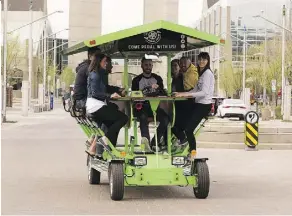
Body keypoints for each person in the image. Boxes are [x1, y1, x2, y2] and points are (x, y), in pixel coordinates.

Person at [174, 52, 214, 160]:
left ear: (208, 61)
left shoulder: (208, 74)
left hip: (204, 105)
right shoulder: (201, 73)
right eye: (200, 59)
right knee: (181, 124)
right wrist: (181, 94)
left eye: (204, 59)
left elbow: (204, 93)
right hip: (198, 103)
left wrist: (187, 94)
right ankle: (183, 144)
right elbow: (196, 89)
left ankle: (192, 153)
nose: (202, 61)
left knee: (189, 130)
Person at [86, 54, 128, 156]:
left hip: (95, 105)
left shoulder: (97, 74)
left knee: (112, 125)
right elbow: (95, 93)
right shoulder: (95, 75)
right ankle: (105, 140)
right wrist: (110, 96)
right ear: (99, 62)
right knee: (123, 118)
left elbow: (105, 87)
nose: (106, 64)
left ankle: (110, 149)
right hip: (96, 106)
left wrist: (118, 89)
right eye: (105, 62)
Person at [131, 57, 170, 151]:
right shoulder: (136, 80)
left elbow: (164, 94)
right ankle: (146, 143)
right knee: (143, 117)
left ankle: (154, 142)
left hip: (155, 107)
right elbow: (134, 95)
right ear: (141, 65)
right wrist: (148, 88)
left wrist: (159, 89)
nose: (148, 67)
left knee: (166, 119)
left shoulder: (157, 78)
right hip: (141, 106)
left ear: (152, 66)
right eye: (146, 65)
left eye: (150, 65)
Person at [171, 56, 199, 146]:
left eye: (176, 65)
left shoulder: (184, 76)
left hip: (186, 105)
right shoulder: (174, 78)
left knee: (172, 125)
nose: (174, 68)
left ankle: (183, 139)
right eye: (172, 66)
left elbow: (189, 90)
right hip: (177, 105)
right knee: (170, 124)